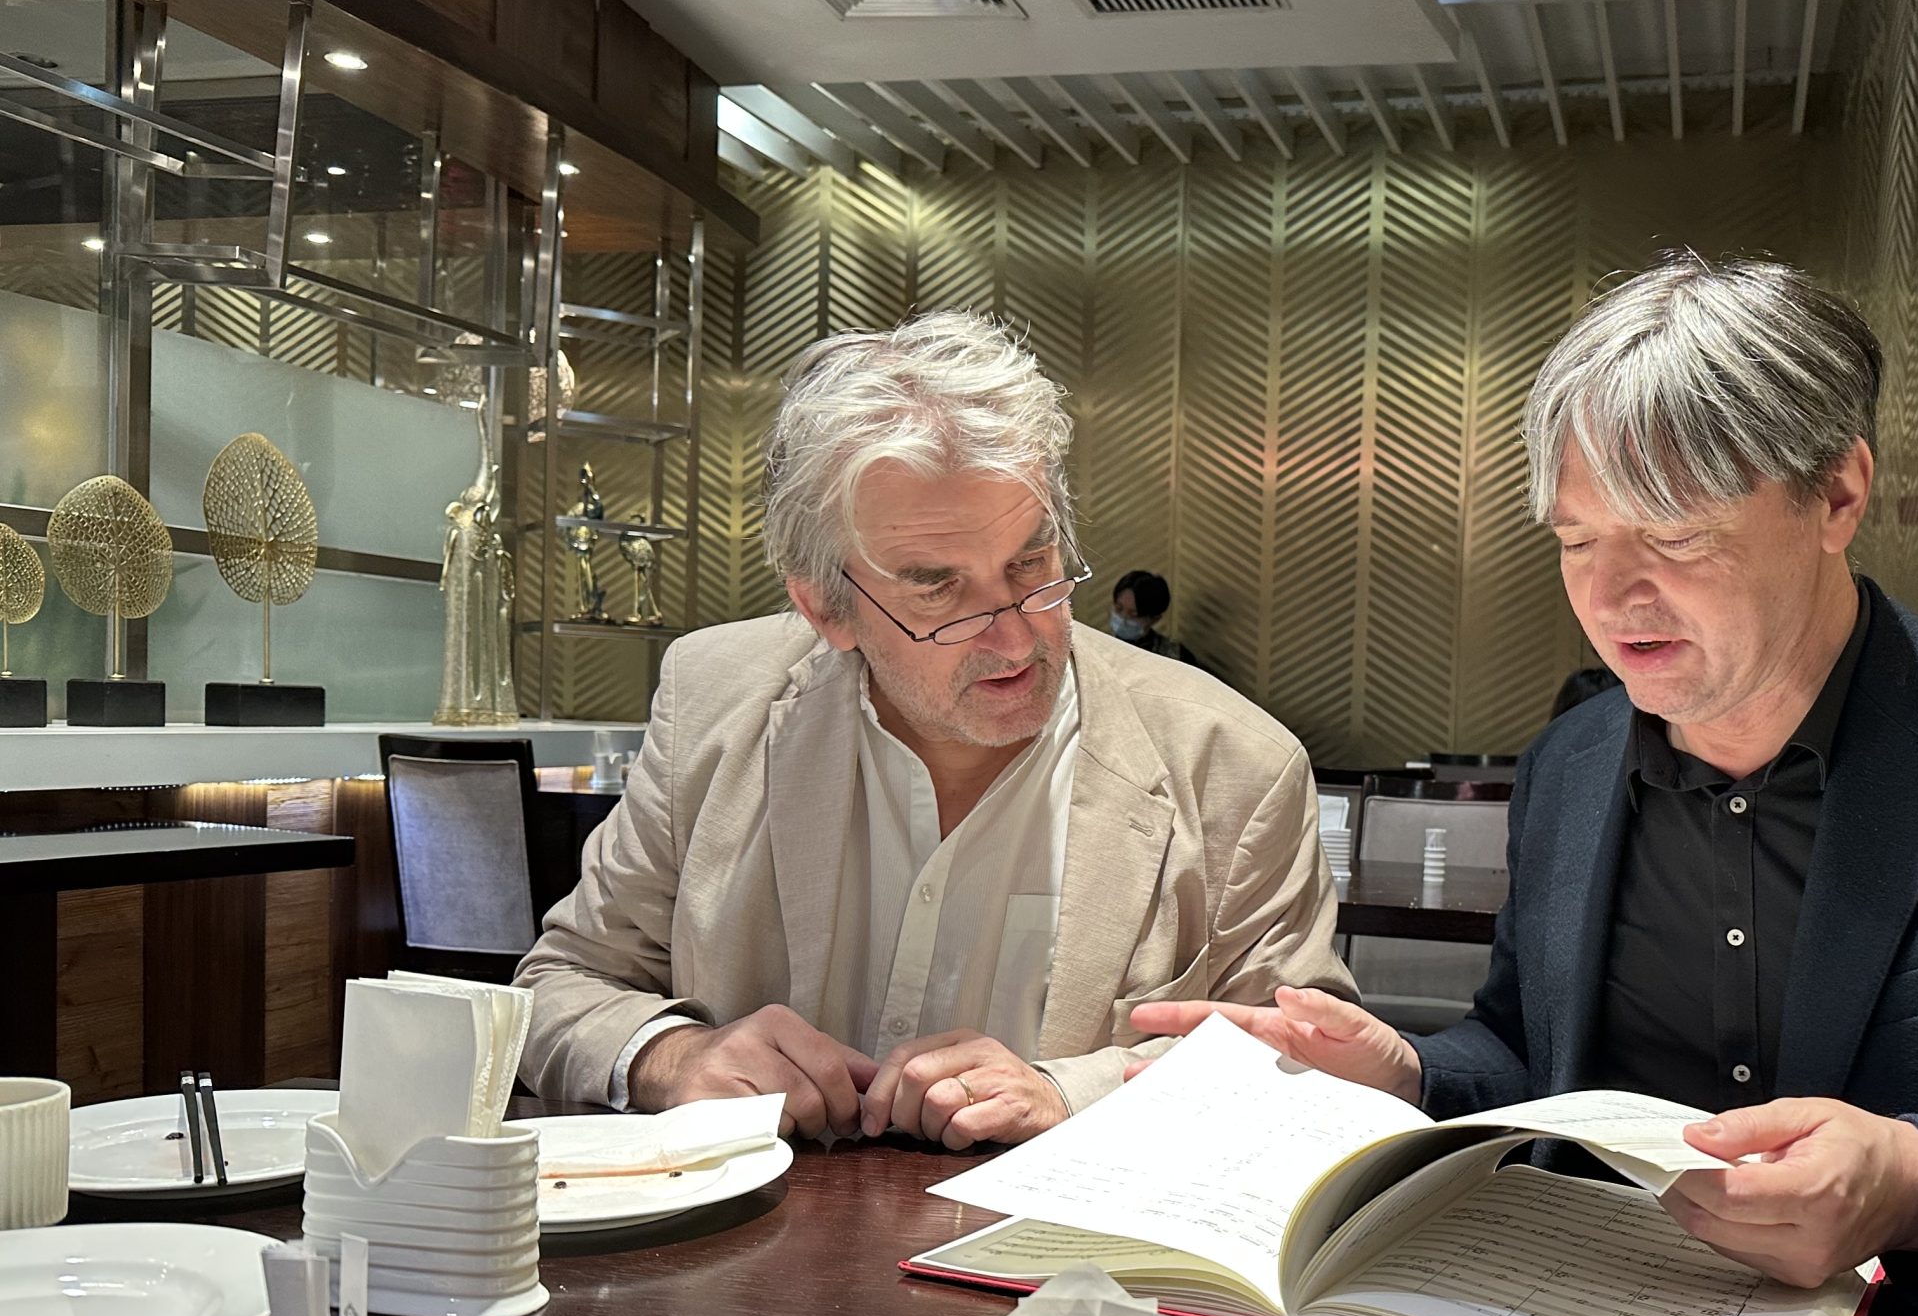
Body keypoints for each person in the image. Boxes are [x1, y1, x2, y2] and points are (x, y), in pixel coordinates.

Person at [1136, 253, 1918, 1316]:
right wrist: (1409, 1073)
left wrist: (1917, 1179)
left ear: (1836, 494)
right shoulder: (1575, 765)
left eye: (1674, 537)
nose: (1613, 595)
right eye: (1578, 541)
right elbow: (1533, 1059)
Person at [517, 311, 1350, 1147]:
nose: (1016, 636)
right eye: (936, 589)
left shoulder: (1234, 762)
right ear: (824, 609)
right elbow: (560, 987)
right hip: (752, 1256)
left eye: (1032, 563)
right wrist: (673, 1056)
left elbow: (1312, 1067)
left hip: (1074, 1266)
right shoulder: (713, 698)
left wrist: (1073, 1093)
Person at [1108, 569, 1199, 666]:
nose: (1123, 618)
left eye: (1134, 614)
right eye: (1118, 609)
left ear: (1155, 619)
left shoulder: (1177, 658)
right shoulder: (1099, 645)